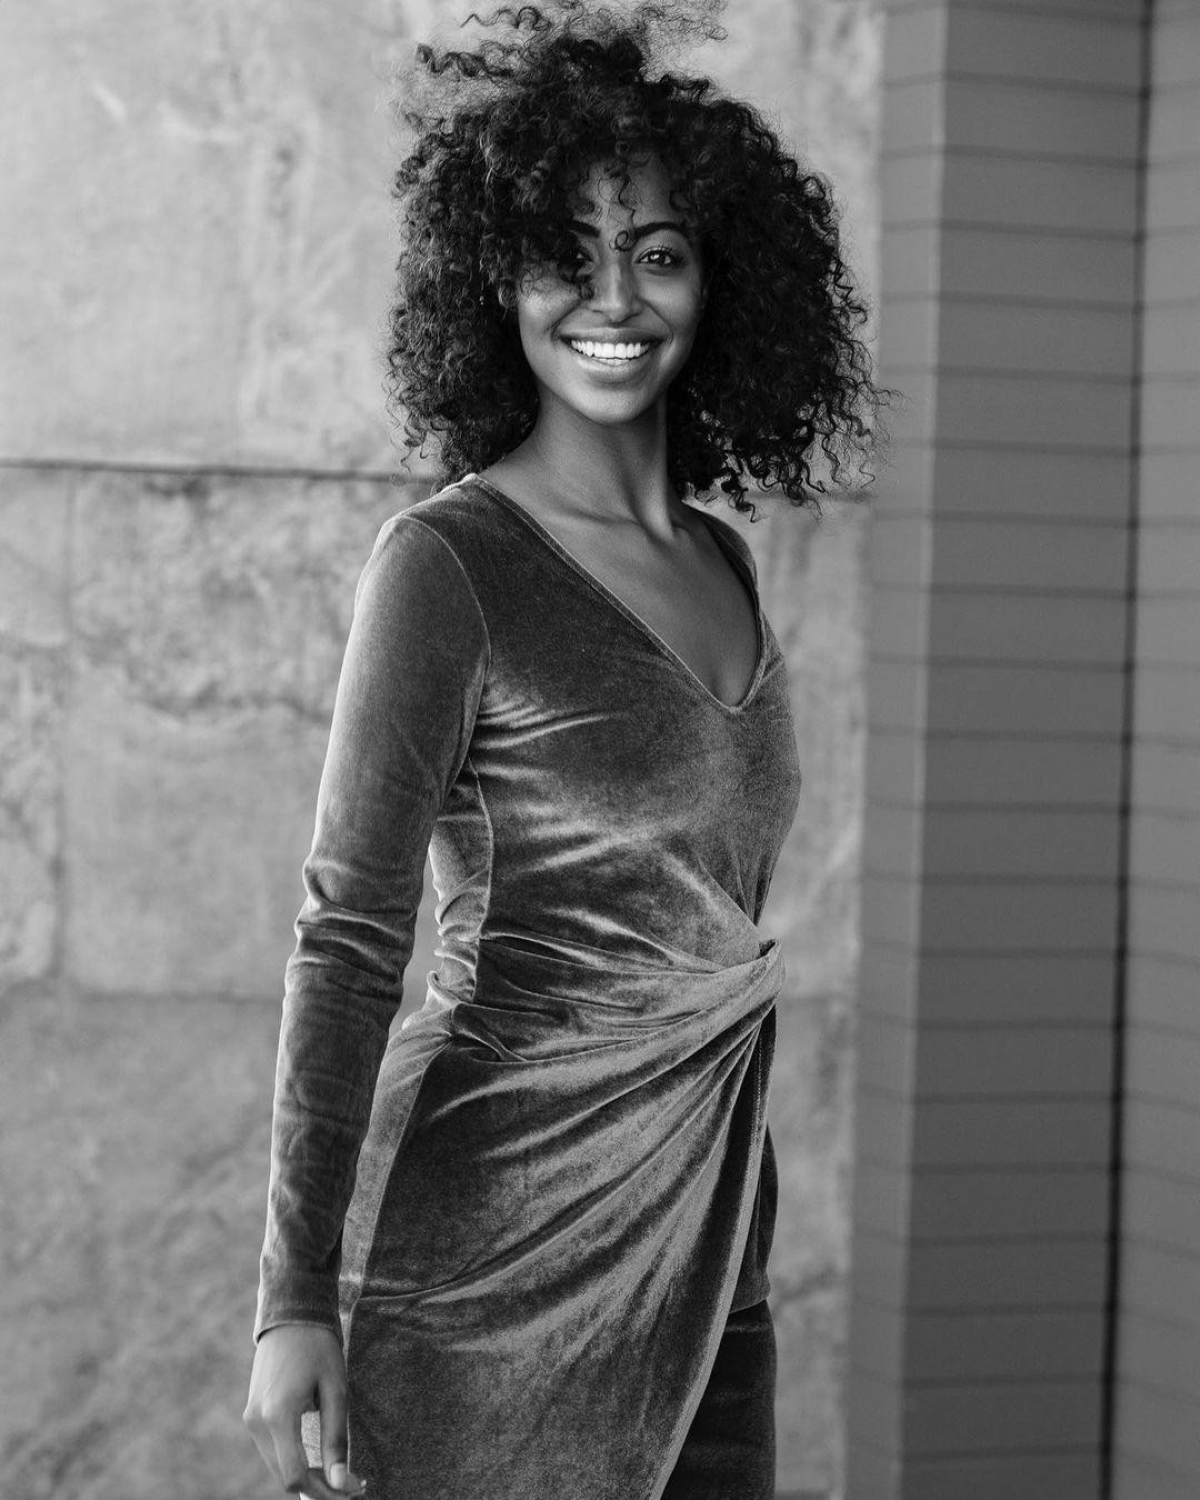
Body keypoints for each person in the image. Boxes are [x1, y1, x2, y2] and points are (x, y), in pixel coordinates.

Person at [243, 3, 883, 1497]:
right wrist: (293, 1297)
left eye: (656, 253)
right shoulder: (448, 564)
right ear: (496, 281)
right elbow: (349, 936)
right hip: (486, 1253)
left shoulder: (724, 561)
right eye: (564, 256)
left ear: (717, 279)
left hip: (714, 1257)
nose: (614, 300)